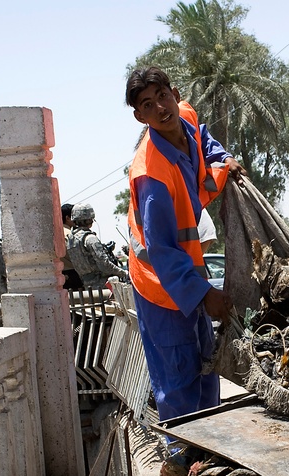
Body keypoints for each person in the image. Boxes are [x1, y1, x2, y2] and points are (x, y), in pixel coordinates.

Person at [124, 66, 244, 423]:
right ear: (139, 116)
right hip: (159, 286)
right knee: (178, 384)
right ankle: (182, 468)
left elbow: (203, 137)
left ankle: (210, 460)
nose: (160, 108)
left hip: (187, 278)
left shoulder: (184, 116)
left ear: (174, 94)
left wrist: (224, 159)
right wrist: (204, 295)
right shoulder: (151, 176)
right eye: (148, 104)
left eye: (162, 96)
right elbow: (160, 251)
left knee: (206, 370)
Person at [67, 203, 129, 288]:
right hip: (103, 285)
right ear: (90, 219)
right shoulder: (90, 238)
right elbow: (104, 265)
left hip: (87, 286)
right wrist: (123, 273)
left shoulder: (71, 240)